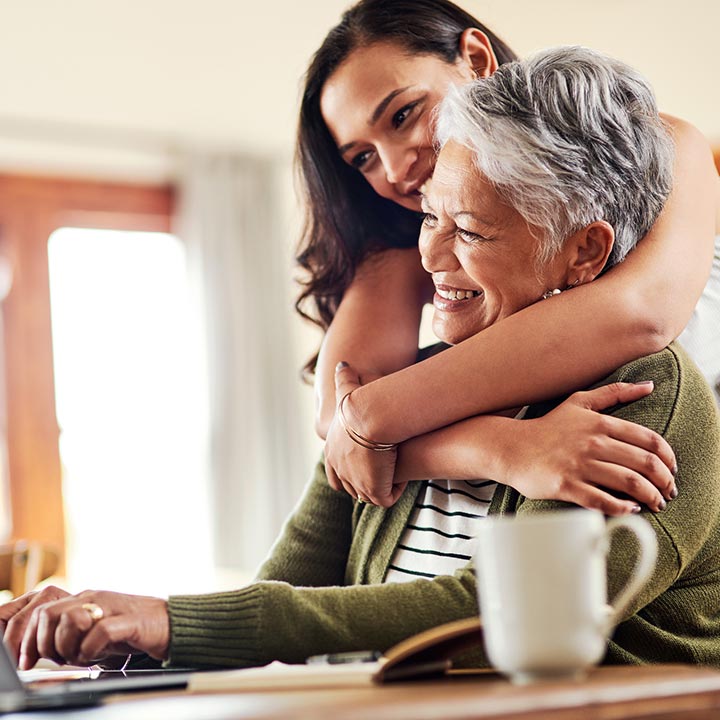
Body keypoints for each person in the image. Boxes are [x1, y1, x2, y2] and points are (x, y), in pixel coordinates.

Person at [2, 46, 719, 671]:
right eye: (429, 216)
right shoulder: (411, 384)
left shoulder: (645, 395)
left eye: (468, 229)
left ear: (585, 251)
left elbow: (491, 619)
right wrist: (130, 630)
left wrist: (174, 625)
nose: (430, 256)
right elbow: (290, 586)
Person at [297, 0, 720, 508]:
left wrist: (374, 419)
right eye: (362, 157)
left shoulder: (662, 145)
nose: (392, 169)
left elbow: (642, 315)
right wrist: (499, 449)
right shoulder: (408, 241)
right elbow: (338, 416)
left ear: (475, 60)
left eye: (403, 115)